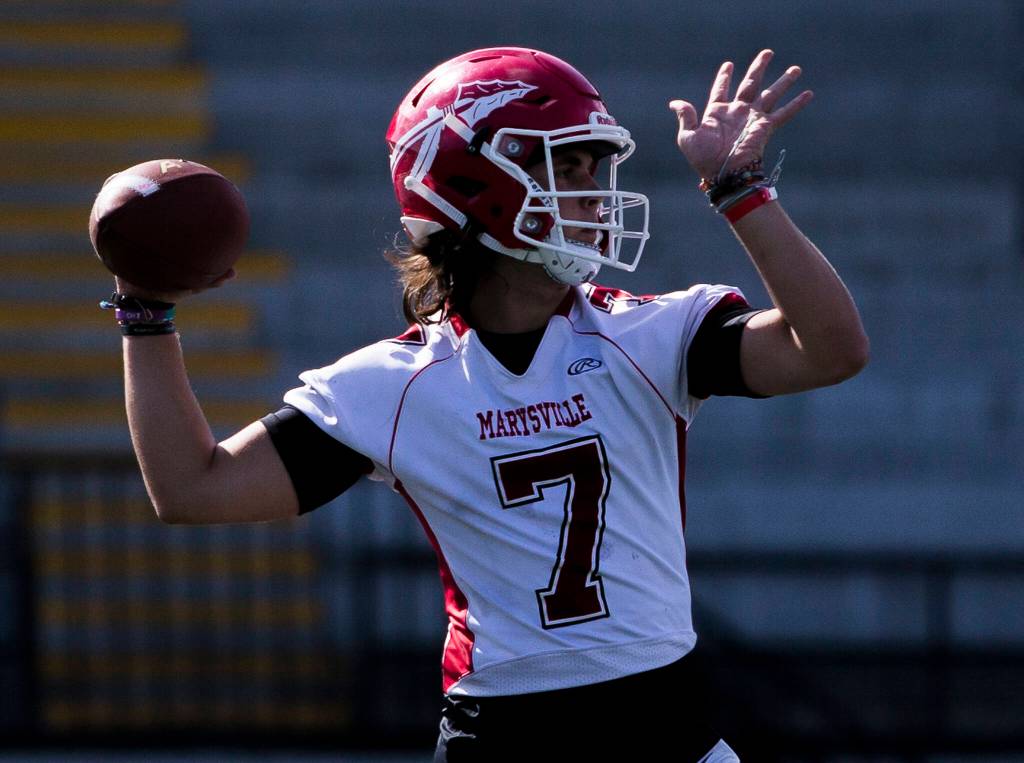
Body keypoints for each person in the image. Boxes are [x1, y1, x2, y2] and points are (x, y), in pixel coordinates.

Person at [107, 47, 868, 761]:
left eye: (593, 169)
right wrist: (146, 313)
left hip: (665, 725)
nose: (595, 195)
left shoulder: (651, 335)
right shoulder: (395, 383)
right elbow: (192, 488)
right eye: (566, 168)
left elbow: (832, 349)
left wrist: (742, 193)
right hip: (504, 731)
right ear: (470, 184)